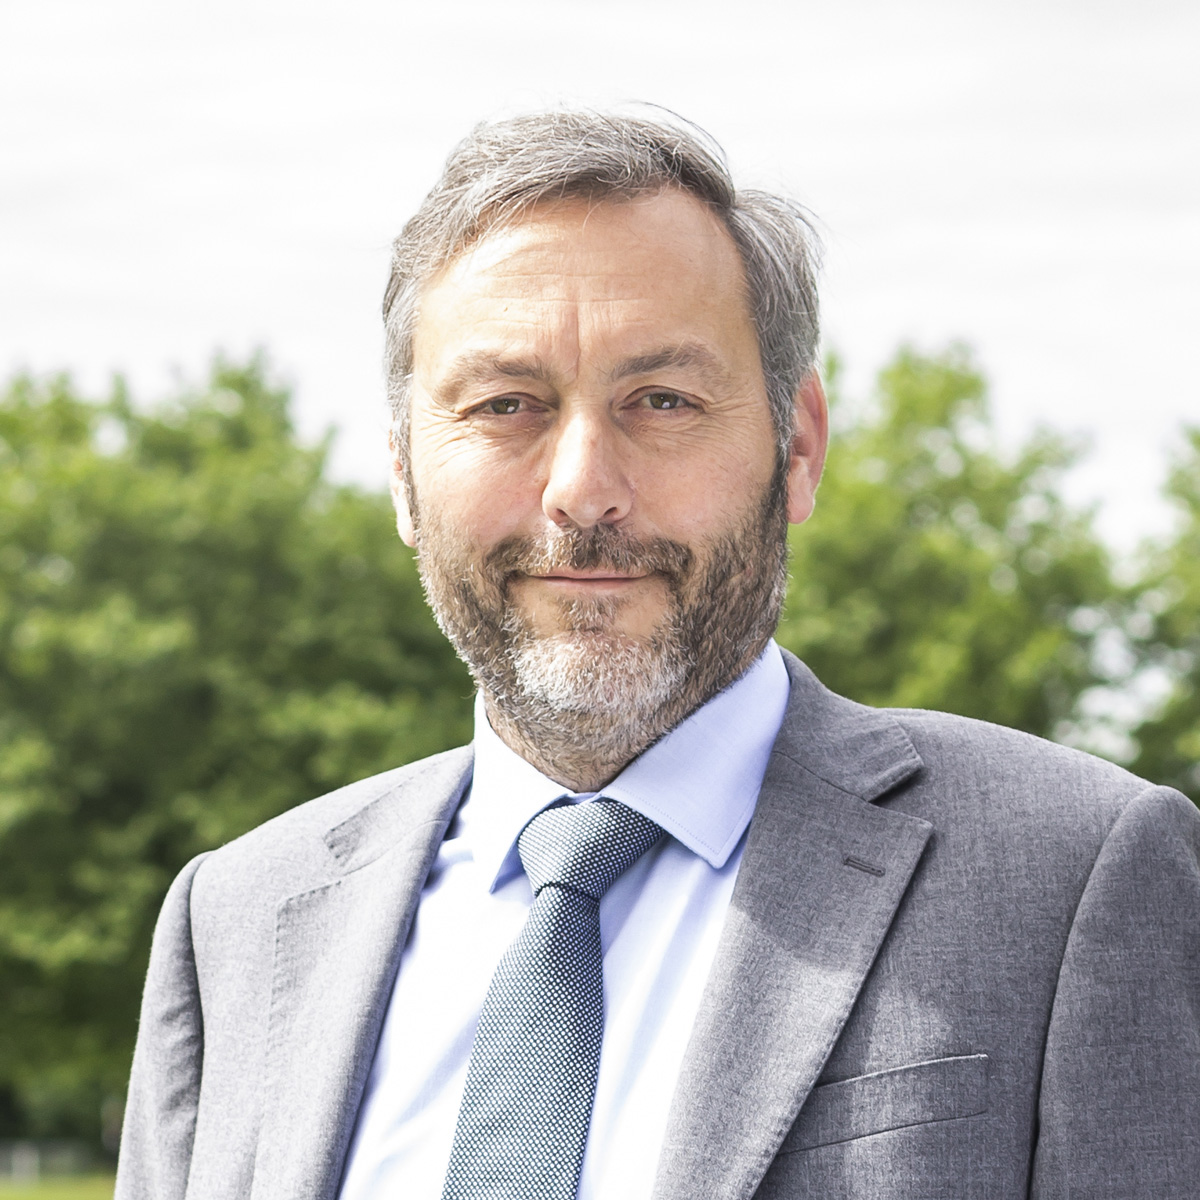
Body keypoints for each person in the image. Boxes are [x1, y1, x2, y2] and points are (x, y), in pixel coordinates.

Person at [115, 110, 1200, 1200]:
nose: (582, 489)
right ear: (404, 472)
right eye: (505, 405)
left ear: (797, 446)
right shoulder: (238, 920)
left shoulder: (1078, 876)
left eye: (663, 400)